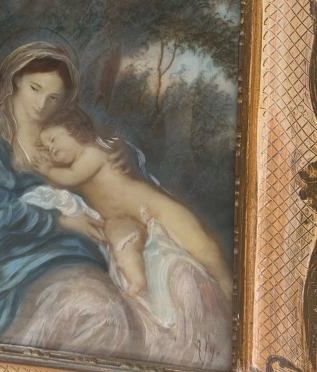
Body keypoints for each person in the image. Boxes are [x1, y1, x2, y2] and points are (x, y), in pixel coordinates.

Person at [0, 41, 232, 370]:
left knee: (178, 279)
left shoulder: (58, 130)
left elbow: (110, 174)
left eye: (53, 97)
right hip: (5, 263)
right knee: (97, 311)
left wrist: (120, 153)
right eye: (34, 88)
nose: (42, 104)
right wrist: (58, 221)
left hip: (78, 248)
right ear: (14, 82)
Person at [34, 108, 233, 301]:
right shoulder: (74, 163)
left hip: (152, 206)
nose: (50, 148)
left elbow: (70, 177)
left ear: (74, 131)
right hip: (119, 218)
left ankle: (226, 282)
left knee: (199, 244)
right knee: (122, 244)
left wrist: (46, 169)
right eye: (45, 147)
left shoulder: (92, 154)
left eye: (53, 140)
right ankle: (137, 282)